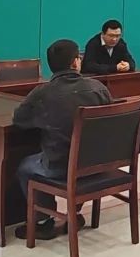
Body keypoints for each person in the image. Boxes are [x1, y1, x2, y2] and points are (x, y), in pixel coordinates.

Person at [13, 39, 112, 240]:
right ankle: (74, 213)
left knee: (24, 166)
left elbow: (19, 120)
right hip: (98, 164)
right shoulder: (98, 88)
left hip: (60, 167)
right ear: (75, 62)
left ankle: (43, 221)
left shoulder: (43, 93)